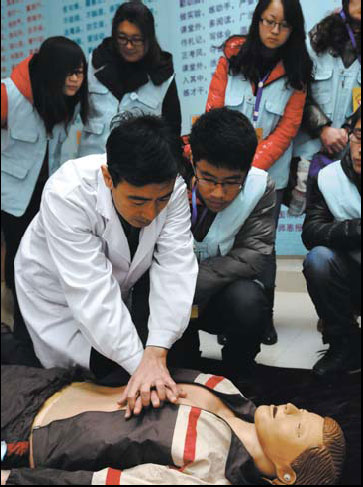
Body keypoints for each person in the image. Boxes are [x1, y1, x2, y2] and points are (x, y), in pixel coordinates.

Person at [14, 114, 198, 417]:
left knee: (155, 358)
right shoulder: (67, 193)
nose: (151, 213)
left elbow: (175, 266)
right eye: (138, 201)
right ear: (108, 178)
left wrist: (157, 350)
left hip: (113, 289)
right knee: (52, 376)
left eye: (160, 201)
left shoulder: (173, 188)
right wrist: (143, 364)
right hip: (55, 292)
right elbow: (91, 292)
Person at [1, 364, 346, 486]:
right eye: (299, 410)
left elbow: (94, 483)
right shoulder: (232, 393)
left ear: (286, 474)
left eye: (297, 426)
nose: (288, 408)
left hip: (21, 436)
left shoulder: (207, 474)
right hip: (47, 382)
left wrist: (12, 479)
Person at [206, 0, 313, 346]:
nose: (274, 31)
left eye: (283, 25)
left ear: (292, 30)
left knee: (262, 248)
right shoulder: (231, 58)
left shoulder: (297, 69)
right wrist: (231, 163)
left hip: (270, 177)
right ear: (257, 21)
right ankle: (228, 313)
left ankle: (262, 317)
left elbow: (288, 128)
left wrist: (250, 167)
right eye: (269, 21)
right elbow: (214, 107)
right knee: (225, 241)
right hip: (226, 169)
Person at [1, 36, 89, 324]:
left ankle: (30, 324)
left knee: (33, 260)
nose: (77, 80)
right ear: (52, 70)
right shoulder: (8, 95)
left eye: (81, 72)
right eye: (71, 72)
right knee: (16, 259)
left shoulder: (66, 100)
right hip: (8, 196)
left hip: (39, 195)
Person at [183, 108, 276, 377]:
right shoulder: (170, 179)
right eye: (208, 179)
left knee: (249, 302)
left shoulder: (261, 187)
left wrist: (188, 284)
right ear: (193, 163)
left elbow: (252, 255)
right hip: (168, 295)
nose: (218, 193)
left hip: (217, 294)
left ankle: (239, 371)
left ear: (246, 171)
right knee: (181, 367)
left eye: (232, 182)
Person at [78, 1, 181, 157]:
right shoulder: (96, 62)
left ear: (149, 38)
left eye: (136, 39)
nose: (129, 46)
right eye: (122, 38)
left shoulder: (162, 74)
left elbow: (172, 131)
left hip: (139, 169)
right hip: (91, 166)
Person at [302, 107, 361, 379]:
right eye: (359, 136)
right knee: (319, 259)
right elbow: (312, 231)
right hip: (351, 273)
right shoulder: (328, 177)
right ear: (349, 135)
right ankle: (344, 344)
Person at [294, 0, 361, 168]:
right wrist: (322, 128)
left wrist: (347, 130)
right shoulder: (317, 39)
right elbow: (295, 92)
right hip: (308, 157)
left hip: (352, 162)